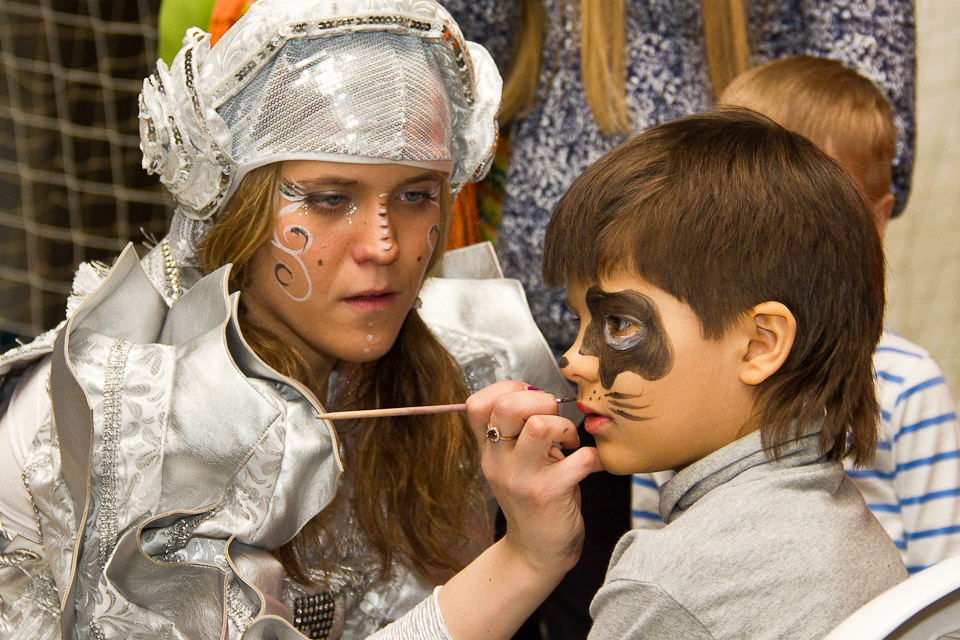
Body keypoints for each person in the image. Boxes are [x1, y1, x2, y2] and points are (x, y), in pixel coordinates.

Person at [0, 1, 572, 637]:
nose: (382, 246)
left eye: (416, 195)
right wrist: (524, 562)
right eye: (329, 199)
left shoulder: (455, 366)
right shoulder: (128, 417)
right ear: (237, 207)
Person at [442, 4, 917, 636]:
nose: (573, 360)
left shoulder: (664, 591)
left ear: (761, 343)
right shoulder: (850, 529)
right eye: (580, 324)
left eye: (618, 326)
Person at [632, 56, 960, 575]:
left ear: (874, 221)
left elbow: (944, 581)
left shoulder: (907, 385)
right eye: (738, 209)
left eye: (816, 210)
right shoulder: (674, 382)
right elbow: (647, 558)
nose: (771, 235)